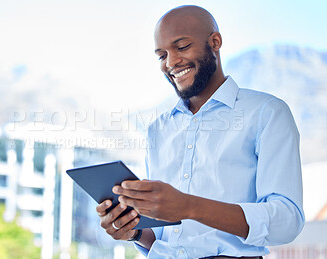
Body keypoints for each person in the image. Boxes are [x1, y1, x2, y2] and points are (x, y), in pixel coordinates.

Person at [96, 5, 304, 259]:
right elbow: (166, 238)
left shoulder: (267, 113)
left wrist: (189, 206)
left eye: (182, 47)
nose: (171, 63)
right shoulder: (158, 129)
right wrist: (133, 231)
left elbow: (287, 220)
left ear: (215, 42)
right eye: (161, 55)